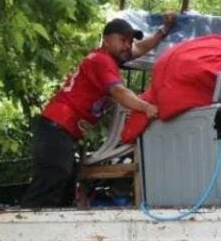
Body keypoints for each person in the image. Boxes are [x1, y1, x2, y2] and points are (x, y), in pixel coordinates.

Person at [21, 15, 176, 208]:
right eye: (123, 40)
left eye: (130, 41)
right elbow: (118, 91)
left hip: (62, 133)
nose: (128, 45)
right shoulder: (101, 61)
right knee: (49, 187)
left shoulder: (109, 58)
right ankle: (23, 230)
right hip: (56, 129)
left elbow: (141, 48)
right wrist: (146, 107)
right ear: (107, 39)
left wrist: (164, 30)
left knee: (62, 191)